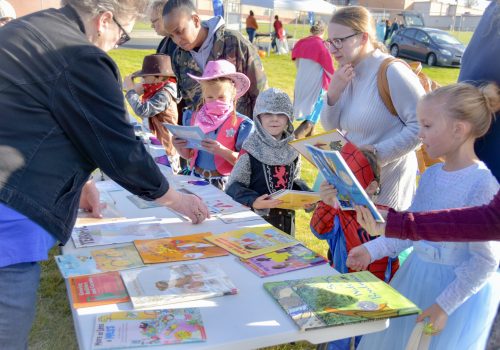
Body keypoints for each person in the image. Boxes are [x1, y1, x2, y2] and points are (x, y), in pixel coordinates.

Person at [0, 1, 210, 348]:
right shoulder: (81, 56)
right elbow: (118, 147)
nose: (116, 44)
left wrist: (80, 183)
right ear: (104, 20)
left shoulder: (25, 29)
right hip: (10, 219)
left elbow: (39, 116)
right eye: (122, 36)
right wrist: (176, 200)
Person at [349, 82, 500, 350]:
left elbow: (485, 261)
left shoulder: (483, 184)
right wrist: (372, 250)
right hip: (415, 279)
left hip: (452, 299)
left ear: (459, 129)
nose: (420, 134)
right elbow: (413, 229)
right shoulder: (430, 175)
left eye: (428, 126)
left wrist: (444, 306)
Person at [321, 6, 424, 211]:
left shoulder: (392, 71)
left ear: (363, 37)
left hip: (387, 195)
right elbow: (331, 128)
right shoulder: (347, 72)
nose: (332, 49)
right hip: (354, 189)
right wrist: (333, 93)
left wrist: (374, 156)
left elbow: (423, 127)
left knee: (377, 242)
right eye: (330, 42)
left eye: (339, 41)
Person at [162, 0, 267, 120]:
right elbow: (184, 104)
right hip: (202, 135)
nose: (177, 40)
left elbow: (261, 94)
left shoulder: (233, 42)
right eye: (171, 36)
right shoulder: (178, 57)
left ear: (196, 20)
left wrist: (260, 134)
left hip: (240, 132)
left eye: (179, 32)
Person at [226, 88, 310, 235]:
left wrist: (306, 195)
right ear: (258, 117)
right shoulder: (251, 149)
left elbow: (293, 181)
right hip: (255, 224)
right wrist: (253, 201)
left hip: (285, 222)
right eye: (268, 114)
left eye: (280, 114)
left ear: (288, 118)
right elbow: (233, 187)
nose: (274, 119)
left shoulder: (293, 149)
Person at [311, 142, 399, 281]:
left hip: (381, 286)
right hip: (343, 281)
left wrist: (394, 283)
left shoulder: (387, 214)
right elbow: (319, 231)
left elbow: (393, 256)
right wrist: (326, 204)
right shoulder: (338, 213)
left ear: (371, 187)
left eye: (350, 181)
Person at [173, 59, 253, 190]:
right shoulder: (193, 117)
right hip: (196, 178)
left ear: (233, 94)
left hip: (225, 183)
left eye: (221, 97)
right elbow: (189, 155)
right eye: (210, 97)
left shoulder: (242, 124)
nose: (215, 101)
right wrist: (179, 146)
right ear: (204, 95)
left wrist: (222, 151)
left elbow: (246, 164)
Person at [123, 53, 181, 173]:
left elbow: (143, 110)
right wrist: (134, 90)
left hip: (165, 151)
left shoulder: (164, 94)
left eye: (145, 77)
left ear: (159, 77)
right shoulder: (155, 89)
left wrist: (131, 91)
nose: (143, 80)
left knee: (168, 183)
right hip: (156, 147)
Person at [291, 20, 334, 138]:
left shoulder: (301, 43)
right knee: (311, 119)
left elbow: (298, 64)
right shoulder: (322, 45)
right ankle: (290, 146)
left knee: (310, 119)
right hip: (316, 85)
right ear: (323, 31)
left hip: (301, 82)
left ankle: (309, 144)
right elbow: (330, 71)